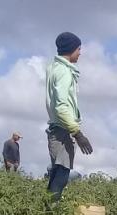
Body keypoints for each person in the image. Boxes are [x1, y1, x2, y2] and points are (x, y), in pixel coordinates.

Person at [45, 31, 93, 202]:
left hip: (59, 129)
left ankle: (50, 212)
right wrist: (77, 133)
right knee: (61, 175)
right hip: (61, 130)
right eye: (79, 49)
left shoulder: (55, 68)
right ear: (71, 49)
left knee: (59, 173)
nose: (80, 52)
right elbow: (61, 107)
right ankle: (51, 214)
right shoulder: (64, 72)